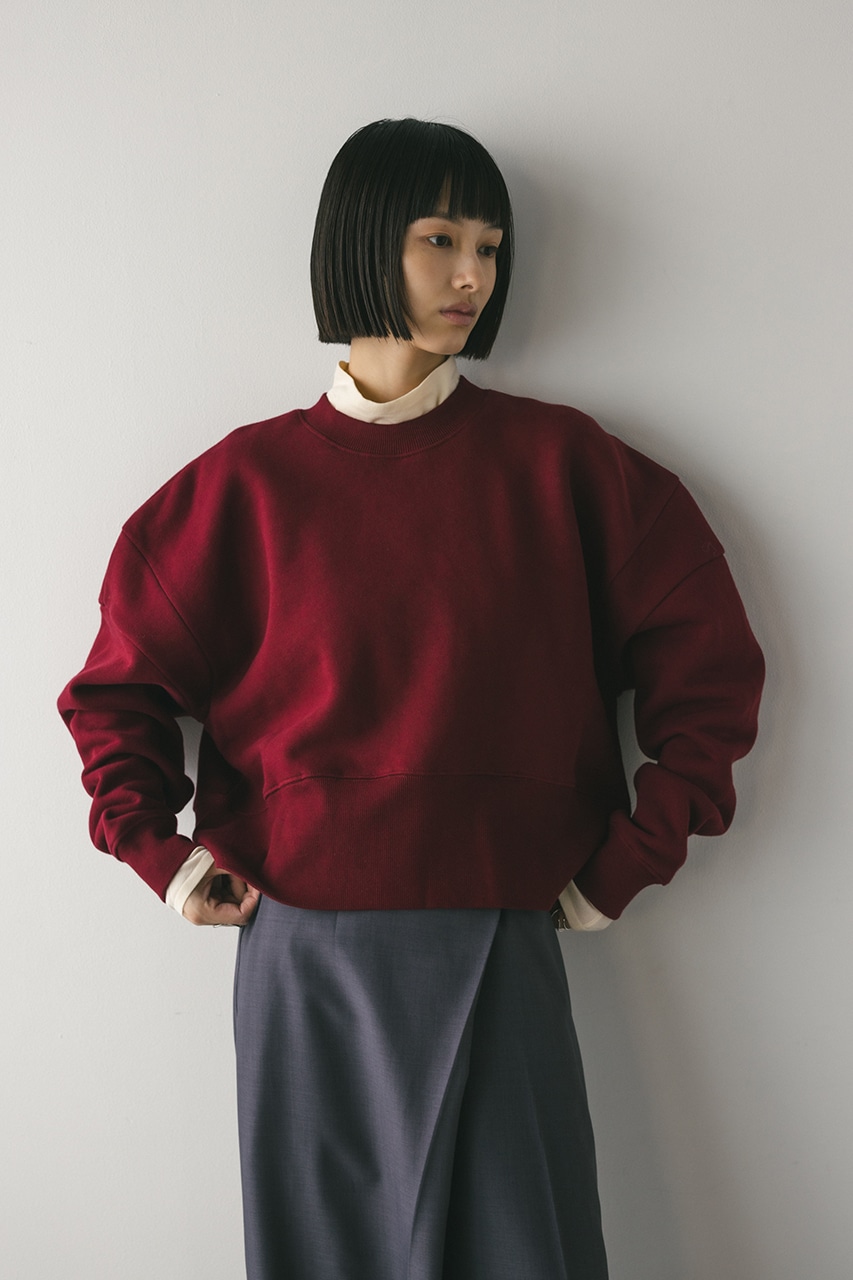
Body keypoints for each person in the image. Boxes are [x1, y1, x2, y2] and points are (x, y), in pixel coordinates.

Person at [58, 117, 765, 1279]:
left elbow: (710, 665)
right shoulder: (238, 488)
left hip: (503, 919)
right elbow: (113, 695)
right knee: (321, 1252)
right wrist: (165, 858)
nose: (470, 274)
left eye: (489, 246)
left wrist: (627, 861)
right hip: (295, 936)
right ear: (360, 240)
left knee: (523, 1248)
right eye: (440, 238)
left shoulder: (564, 466)